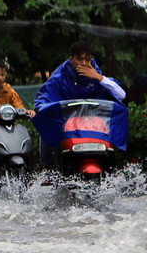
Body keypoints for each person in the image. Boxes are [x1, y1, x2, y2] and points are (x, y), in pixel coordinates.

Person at [32, 40, 127, 168]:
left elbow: (121, 95)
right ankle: (46, 169)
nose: (84, 63)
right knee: (47, 126)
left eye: (87, 60)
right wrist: (41, 109)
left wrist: (98, 77)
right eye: (79, 59)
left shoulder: (96, 74)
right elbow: (44, 97)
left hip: (92, 124)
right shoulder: (59, 77)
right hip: (67, 123)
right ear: (71, 59)